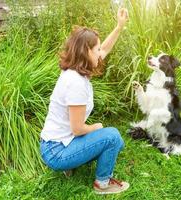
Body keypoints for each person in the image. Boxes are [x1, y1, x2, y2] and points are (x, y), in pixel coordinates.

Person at [39, 8, 129, 195]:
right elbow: (78, 129)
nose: (99, 53)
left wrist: (119, 26)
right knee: (112, 136)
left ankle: (73, 163)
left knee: (117, 143)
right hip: (56, 151)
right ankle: (102, 184)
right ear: (85, 51)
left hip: (57, 144)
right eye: (96, 50)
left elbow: (104, 48)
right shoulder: (75, 82)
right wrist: (96, 127)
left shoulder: (77, 70)